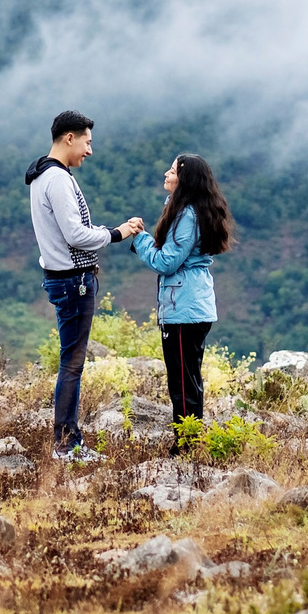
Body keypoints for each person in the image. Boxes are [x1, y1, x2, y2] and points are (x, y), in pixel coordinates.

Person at [25, 109, 142, 458]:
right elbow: (75, 234)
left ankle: (67, 440)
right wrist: (116, 233)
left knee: (70, 361)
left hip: (62, 279)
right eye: (87, 142)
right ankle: (66, 444)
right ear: (69, 138)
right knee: (72, 364)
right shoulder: (58, 179)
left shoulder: (41, 175)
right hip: (73, 282)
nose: (89, 151)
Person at [130, 152, 233, 447]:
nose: (166, 173)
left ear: (184, 179)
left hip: (183, 309)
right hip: (194, 305)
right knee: (189, 376)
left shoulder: (187, 216)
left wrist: (140, 238)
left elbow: (166, 262)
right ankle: (190, 439)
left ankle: (186, 445)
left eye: (173, 170)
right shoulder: (191, 211)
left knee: (182, 380)